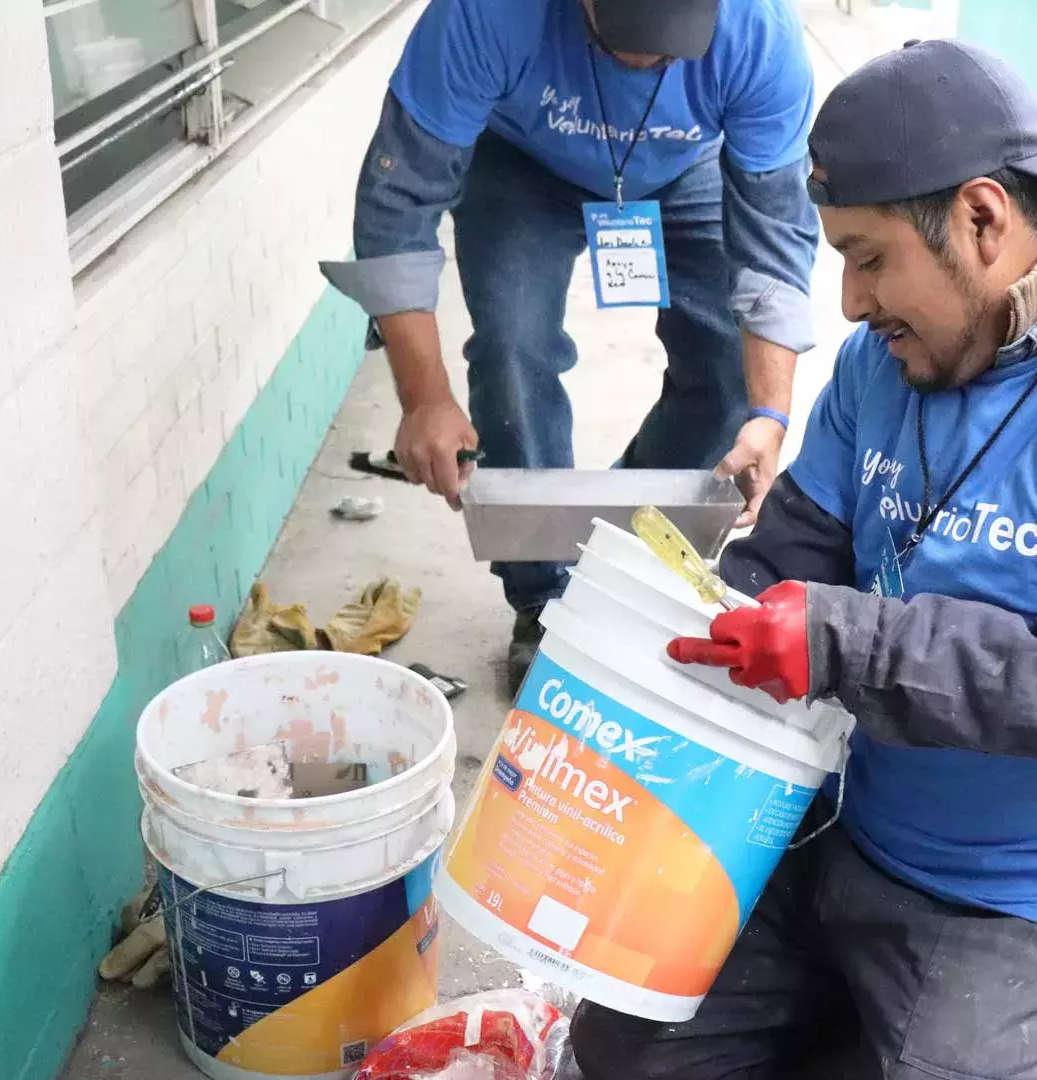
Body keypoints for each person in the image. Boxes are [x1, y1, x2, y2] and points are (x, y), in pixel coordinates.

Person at [571, 39, 1037, 1080]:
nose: (853, 308)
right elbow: (790, 555)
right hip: (841, 823)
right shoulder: (886, 362)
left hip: (1030, 892)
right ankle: (991, 1008)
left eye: (869, 260)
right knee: (617, 1053)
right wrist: (653, 659)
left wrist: (842, 641)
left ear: (983, 218)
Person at [319, 0, 819, 681]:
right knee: (512, 352)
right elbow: (398, 203)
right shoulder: (483, 15)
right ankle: (542, 595)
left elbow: (776, 240)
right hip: (520, 165)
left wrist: (771, 414)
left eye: (669, 48)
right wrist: (424, 398)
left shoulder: (760, 34)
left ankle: (622, 550)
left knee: (732, 372)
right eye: (623, 37)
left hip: (687, 169)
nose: (643, 61)